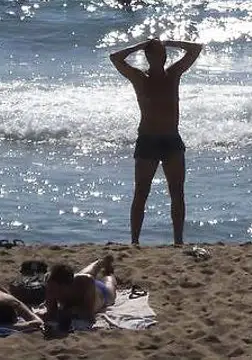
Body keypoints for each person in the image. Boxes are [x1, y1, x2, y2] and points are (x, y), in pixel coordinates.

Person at [109, 38, 204, 245]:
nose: (161, 56)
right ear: (149, 57)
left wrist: (169, 42)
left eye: (163, 53)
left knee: (177, 192)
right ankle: (134, 241)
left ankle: (178, 241)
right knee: (141, 192)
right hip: (148, 140)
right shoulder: (140, 78)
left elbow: (196, 49)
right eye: (156, 53)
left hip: (171, 139)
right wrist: (140, 45)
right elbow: (114, 58)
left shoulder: (173, 74)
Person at [43, 256, 118, 324]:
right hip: (79, 283)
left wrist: (65, 312)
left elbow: (88, 315)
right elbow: (51, 312)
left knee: (109, 279)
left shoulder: (86, 281)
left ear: (66, 286)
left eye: (55, 289)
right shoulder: (52, 285)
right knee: (86, 273)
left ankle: (108, 271)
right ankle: (100, 262)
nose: (51, 292)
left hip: (102, 293)